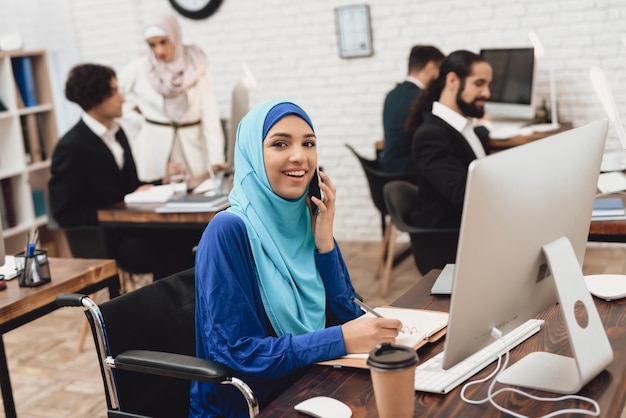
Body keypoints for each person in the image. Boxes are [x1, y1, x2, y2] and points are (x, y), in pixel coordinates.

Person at [189, 100, 402, 417]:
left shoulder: (307, 218)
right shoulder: (228, 231)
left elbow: (348, 314)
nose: (300, 156)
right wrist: (340, 340)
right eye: (279, 143)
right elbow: (237, 352)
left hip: (313, 382)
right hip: (251, 404)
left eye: (309, 143)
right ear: (253, 156)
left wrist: (325, 242)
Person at [49, 63, 198, 279]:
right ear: (94, 98)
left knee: (194, 234)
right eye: (113, 92)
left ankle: (189, 305)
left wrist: (161, 182)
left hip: (134, 227)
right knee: (176, 245)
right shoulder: (72, 146)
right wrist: (116, 210)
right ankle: (173, 308)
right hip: (110, 238)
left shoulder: (117, 133)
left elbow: (129, 189)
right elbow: (65, 213)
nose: (123, 98)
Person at [402, 50, 492, 271]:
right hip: (453, 243)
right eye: (479, 83)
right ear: (452, 80)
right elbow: (467, 197)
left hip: (474, 229)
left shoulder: (463, 127)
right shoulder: (431, 135)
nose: (487, 93)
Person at [118, 11, 226, 184]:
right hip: (154, 148)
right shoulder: (139, 68)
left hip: (192, 148)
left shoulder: (196, 66)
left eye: (163, 42)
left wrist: (216, 160)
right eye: (152, 45)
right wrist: (138, 120)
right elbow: (114, 95)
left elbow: (210, 116)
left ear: (174, 36)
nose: (159, 50)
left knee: (199, 196)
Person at [380, 45, 444, 174]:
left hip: (388, 167)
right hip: (408, 171)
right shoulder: (421, 99)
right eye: (440, 71)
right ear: (430, 67)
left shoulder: (392, 94)